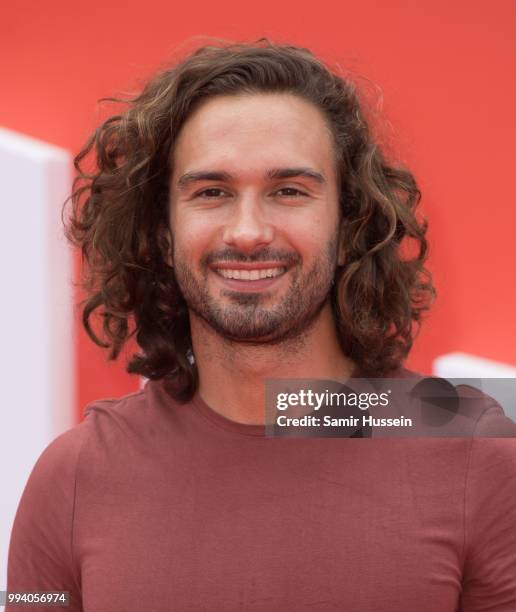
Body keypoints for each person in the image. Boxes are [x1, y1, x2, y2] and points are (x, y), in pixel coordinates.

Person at [5, 40, 516, 611]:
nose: (247, 233)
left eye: (289, 191)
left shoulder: (479, 457)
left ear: (350, 223)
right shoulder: (72, 478)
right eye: (212, 192)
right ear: (163, 231)